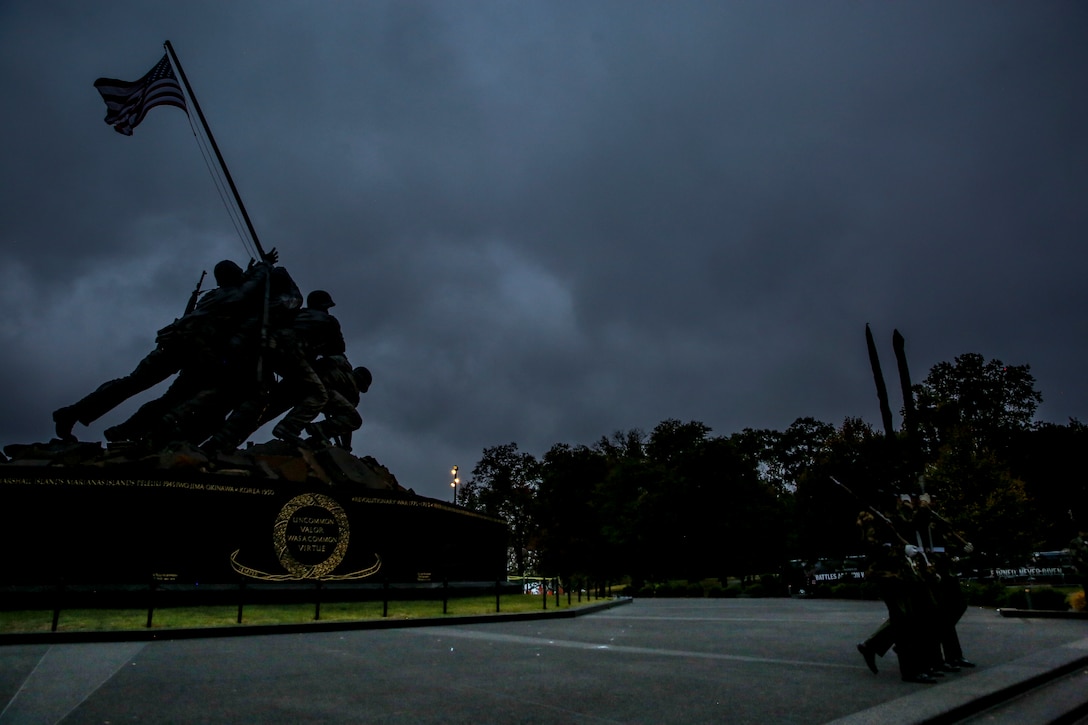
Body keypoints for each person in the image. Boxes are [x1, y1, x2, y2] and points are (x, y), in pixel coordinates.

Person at [51, 259, 248, 443]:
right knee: (135, 384)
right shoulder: (229, 294)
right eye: (239, 271)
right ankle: (72, 413)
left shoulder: (217, 295)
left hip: (195, 353)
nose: (242, 274)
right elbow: (248, 288)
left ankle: (126, 430)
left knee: (167, 397)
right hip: (182, 346)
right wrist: (263, 267)